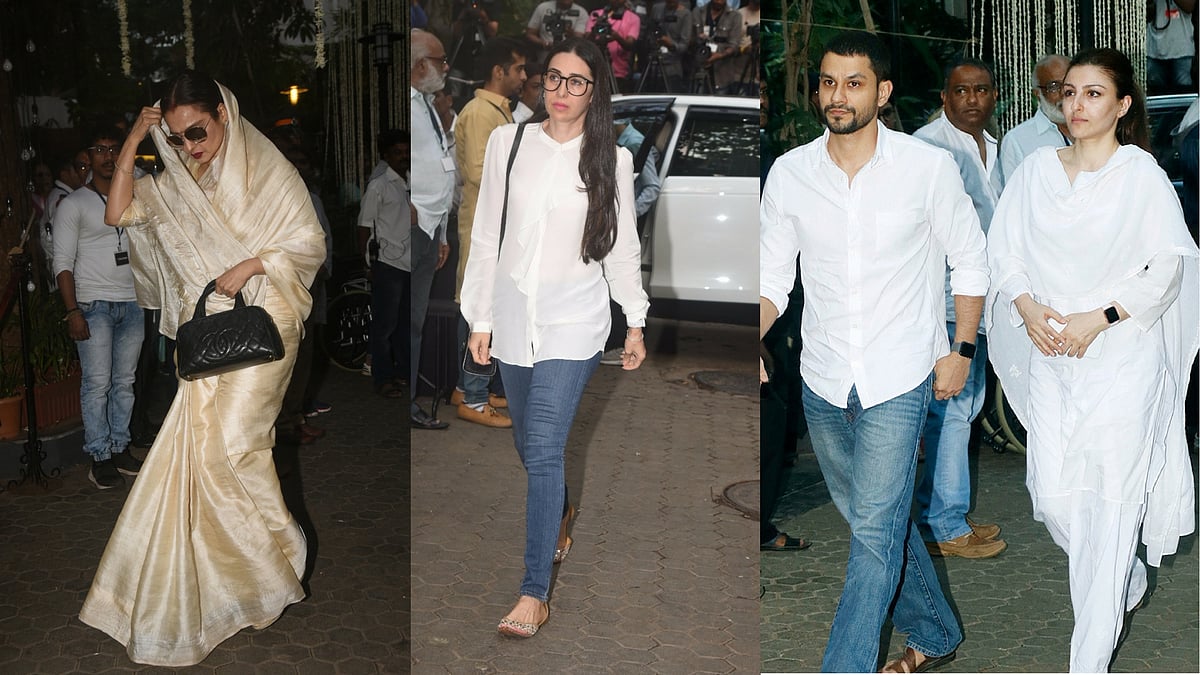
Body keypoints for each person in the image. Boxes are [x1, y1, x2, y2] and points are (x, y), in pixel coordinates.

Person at [78, 70, 325, 666]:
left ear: (224, 114)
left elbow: (308, 242)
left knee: (236, 446)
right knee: (208, 452)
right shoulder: (172, 185)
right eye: (176, 136)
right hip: (209, 332)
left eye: (198, 132)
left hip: (268, 320)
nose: (190, 146)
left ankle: (277, 558)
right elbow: (117, 212)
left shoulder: (268, 172)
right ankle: (244, 578)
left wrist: (252, 264)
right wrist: (136, 137)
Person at [759, 32, 987, 672]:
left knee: (870, 539)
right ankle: (935, 631)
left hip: (900, 373)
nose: (838, 95)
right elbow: (772, 277)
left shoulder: (926, 168)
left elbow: (971, 260)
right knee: (876, 524)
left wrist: (962, 349)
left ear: (882, 92)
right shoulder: (791, 174)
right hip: (824, 379)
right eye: (829, 82)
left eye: (854, 83)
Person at [986, 48, 1198, 672]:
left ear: (1122, 105)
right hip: (1052, 356)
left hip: (1122, 357)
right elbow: (1005, 250)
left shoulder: (1140, 175)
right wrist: (1025, 306)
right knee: (1052, 497)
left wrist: (1099, 318)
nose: (1077, 105)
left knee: (1109, 506)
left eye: (1094, 94)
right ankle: (1125, 577)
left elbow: (1166, 269)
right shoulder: (1034, 173)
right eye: (1070, 92)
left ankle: (1089, 660)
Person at [461, 37, 649, 638]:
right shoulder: (508, 143)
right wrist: (480, 318)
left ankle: (534, 591)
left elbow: (621, 249)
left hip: (575, 322)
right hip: (515, 319)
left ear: (595, 92)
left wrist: (635, 320)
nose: (562, 91)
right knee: (528, 447)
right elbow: (486, 235)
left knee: (543, 448)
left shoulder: (612, 160)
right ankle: (560, 509)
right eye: (554, 78)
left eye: (577, 81)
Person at [911, 58, 1007, 559]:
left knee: (963, 409)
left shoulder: (994, 146)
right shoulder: (927, 146)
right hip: (948, 299)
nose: (972, 99)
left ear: (994, 96)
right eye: (961, 90)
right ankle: (943, 526)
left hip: (983, 298)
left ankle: (942, 513)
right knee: (950, 411)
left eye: (981, 90)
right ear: (944, 97)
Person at [52, 128, 145, 490]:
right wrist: (73, 311)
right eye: (101, 149)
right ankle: (99, 455)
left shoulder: (135, 195)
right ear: (88, 157)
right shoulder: (74, 203)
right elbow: (62, 263)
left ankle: (119, 447)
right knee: (97, 384)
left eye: (114, 149)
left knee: (125, 382)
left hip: (133, 302)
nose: (108, 156)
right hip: (93, 304)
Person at [454, 37, 528, 429]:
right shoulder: (481, 112)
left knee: (478, 307)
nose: (524, 76)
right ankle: (475, 398)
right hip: (486, 229)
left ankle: (468, 389)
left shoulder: (495, 110)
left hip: (495, 226)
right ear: (499, 71)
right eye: (519, 69)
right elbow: (478, 172)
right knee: (480, 308)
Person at [411, 29, 455, 430]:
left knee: (417, 321)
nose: (446, 66)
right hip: (412, 228)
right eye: (440, 60)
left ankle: (410, 401)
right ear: (420, 64)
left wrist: (441, 235)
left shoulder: (426, 103)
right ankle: (407, 404)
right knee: (409, 322)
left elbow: (439, 167)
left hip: (430, 229)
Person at [359, 130, 411, 400]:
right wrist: (368, 264)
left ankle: (403, 372)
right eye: (397, 152)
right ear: (386, 156)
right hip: (388, 263)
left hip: (411, 262)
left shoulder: (411, 182)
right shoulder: (379, 185)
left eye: (406, 152)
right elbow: (364, 226)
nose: (404, 157)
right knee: (384, 325)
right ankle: (382, 378)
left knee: (404, 324)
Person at [999, 54, 1072, 189]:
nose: (1064, 93)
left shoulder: (1096, 129)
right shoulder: (1018, 140)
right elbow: (1015, 196)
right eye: (1054, 87)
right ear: (1037, 93)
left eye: (1069, 85)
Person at [586, 0, 641, 93]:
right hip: (594, 68)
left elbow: (630, 45)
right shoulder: (596, 14)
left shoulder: (633, 18)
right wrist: (594, 30)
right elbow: (586, 41)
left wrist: (616, 37)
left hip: (619, 73)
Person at [690, 0, 743, 95]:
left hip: (722, 72)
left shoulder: (735, 16)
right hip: (699, 68)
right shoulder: (698, 12)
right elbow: (689, 39)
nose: (719, 2)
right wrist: (697, 39)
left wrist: (720, 55)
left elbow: (734, 45)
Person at [1146, 0, 1196, 93]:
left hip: (1182, 50)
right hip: (1154, 50)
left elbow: (1189, 7)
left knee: (1184, 93)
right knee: (1156, 94)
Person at [645, 0, 693, 92]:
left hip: (672, 66)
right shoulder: (656, 9)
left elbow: (684, 45)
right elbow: (649, 31)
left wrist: (670, 44)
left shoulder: (685, 14)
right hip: (653, 64)